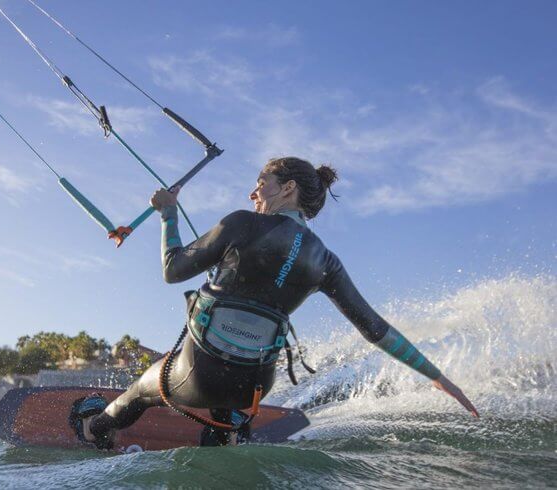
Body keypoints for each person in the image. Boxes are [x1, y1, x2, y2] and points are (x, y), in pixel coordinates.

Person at [72, 156, 479, 449]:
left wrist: (168, 214)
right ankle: (224, 433)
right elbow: (375, 329)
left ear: (288, 189)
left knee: (142, 389)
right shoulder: (326, 260)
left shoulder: (242, 222)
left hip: (197, 374)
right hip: (253, 386)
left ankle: (95, 429)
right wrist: (438, 377)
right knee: (228, 407)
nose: (252, 192)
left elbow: (173, 269)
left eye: (261, 183)